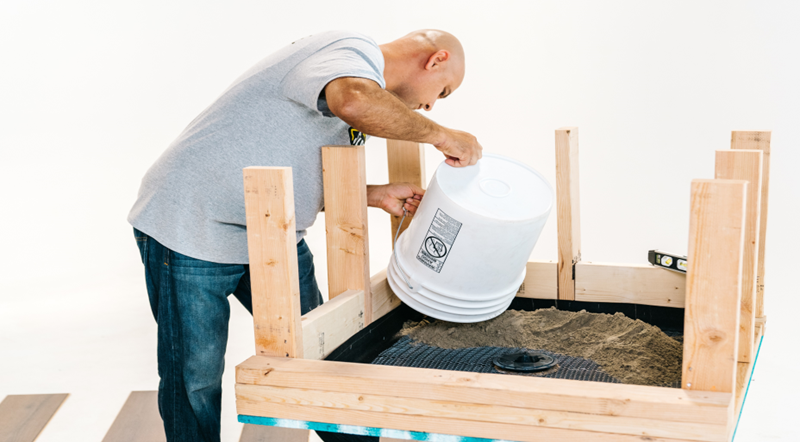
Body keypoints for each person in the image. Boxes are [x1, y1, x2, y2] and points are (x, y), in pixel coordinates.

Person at [128, 29, 482, 442]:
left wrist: (372, 195)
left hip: (270, 230)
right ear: (435, 59)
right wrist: (441, 134)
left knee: (322, 351)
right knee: (196, 375)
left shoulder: (365, 88)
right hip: (191, 226)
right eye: (443, 90)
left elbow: (291, 161)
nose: (430, 104)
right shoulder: (350, 52)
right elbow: (352, 102)